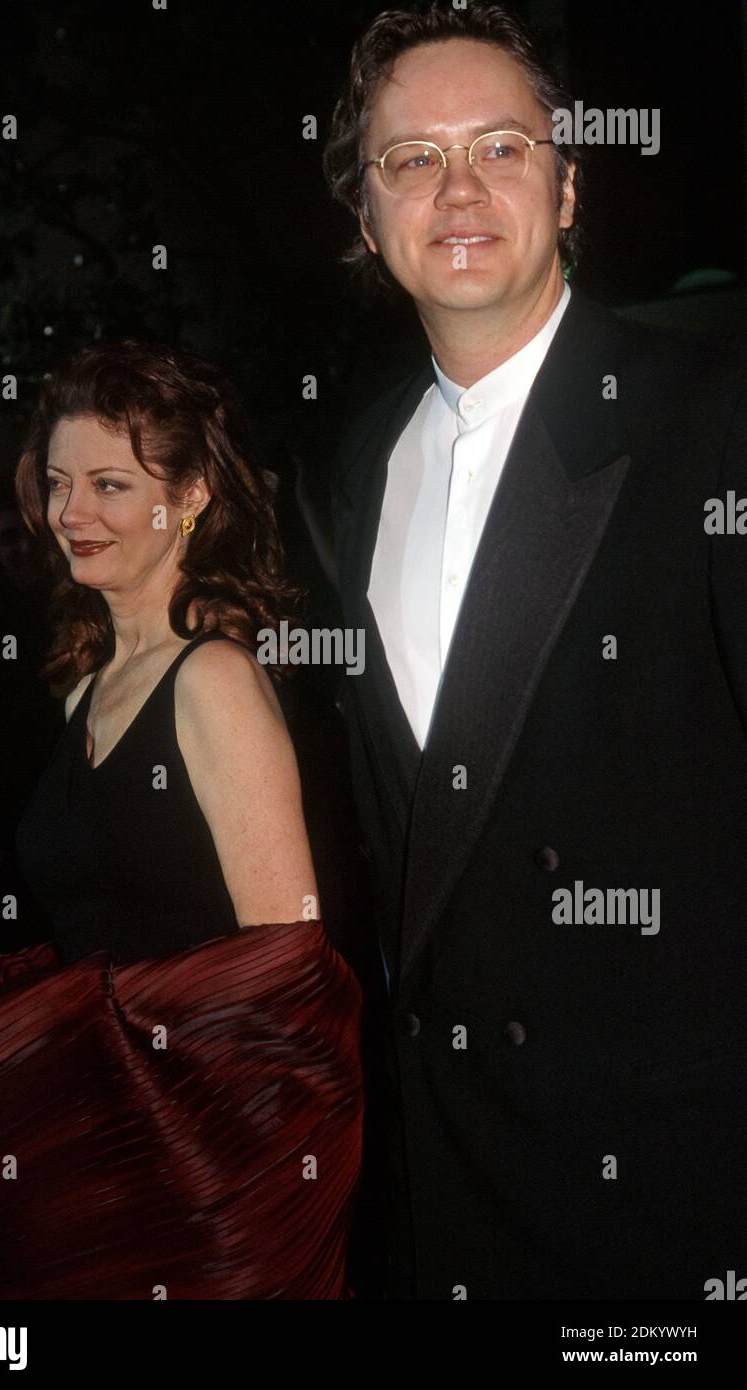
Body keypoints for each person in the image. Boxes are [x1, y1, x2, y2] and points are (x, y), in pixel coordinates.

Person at [323, 1, 747, 1299]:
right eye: (410, 158)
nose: (455, 187)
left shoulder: (707, 421)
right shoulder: (349, 466)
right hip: (440, 1180)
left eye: (500, 146)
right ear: (363, 215)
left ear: (565, 188)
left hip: (661, 1186)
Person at [0, 342, 363, 1300]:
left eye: (107, 482)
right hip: (99, 1154)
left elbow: (286, 979)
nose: (70, 514)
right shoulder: (85, 686)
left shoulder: (214, 680)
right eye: (57, 483)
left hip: (200, 1173)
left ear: (188, 498)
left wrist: (49, 1026)